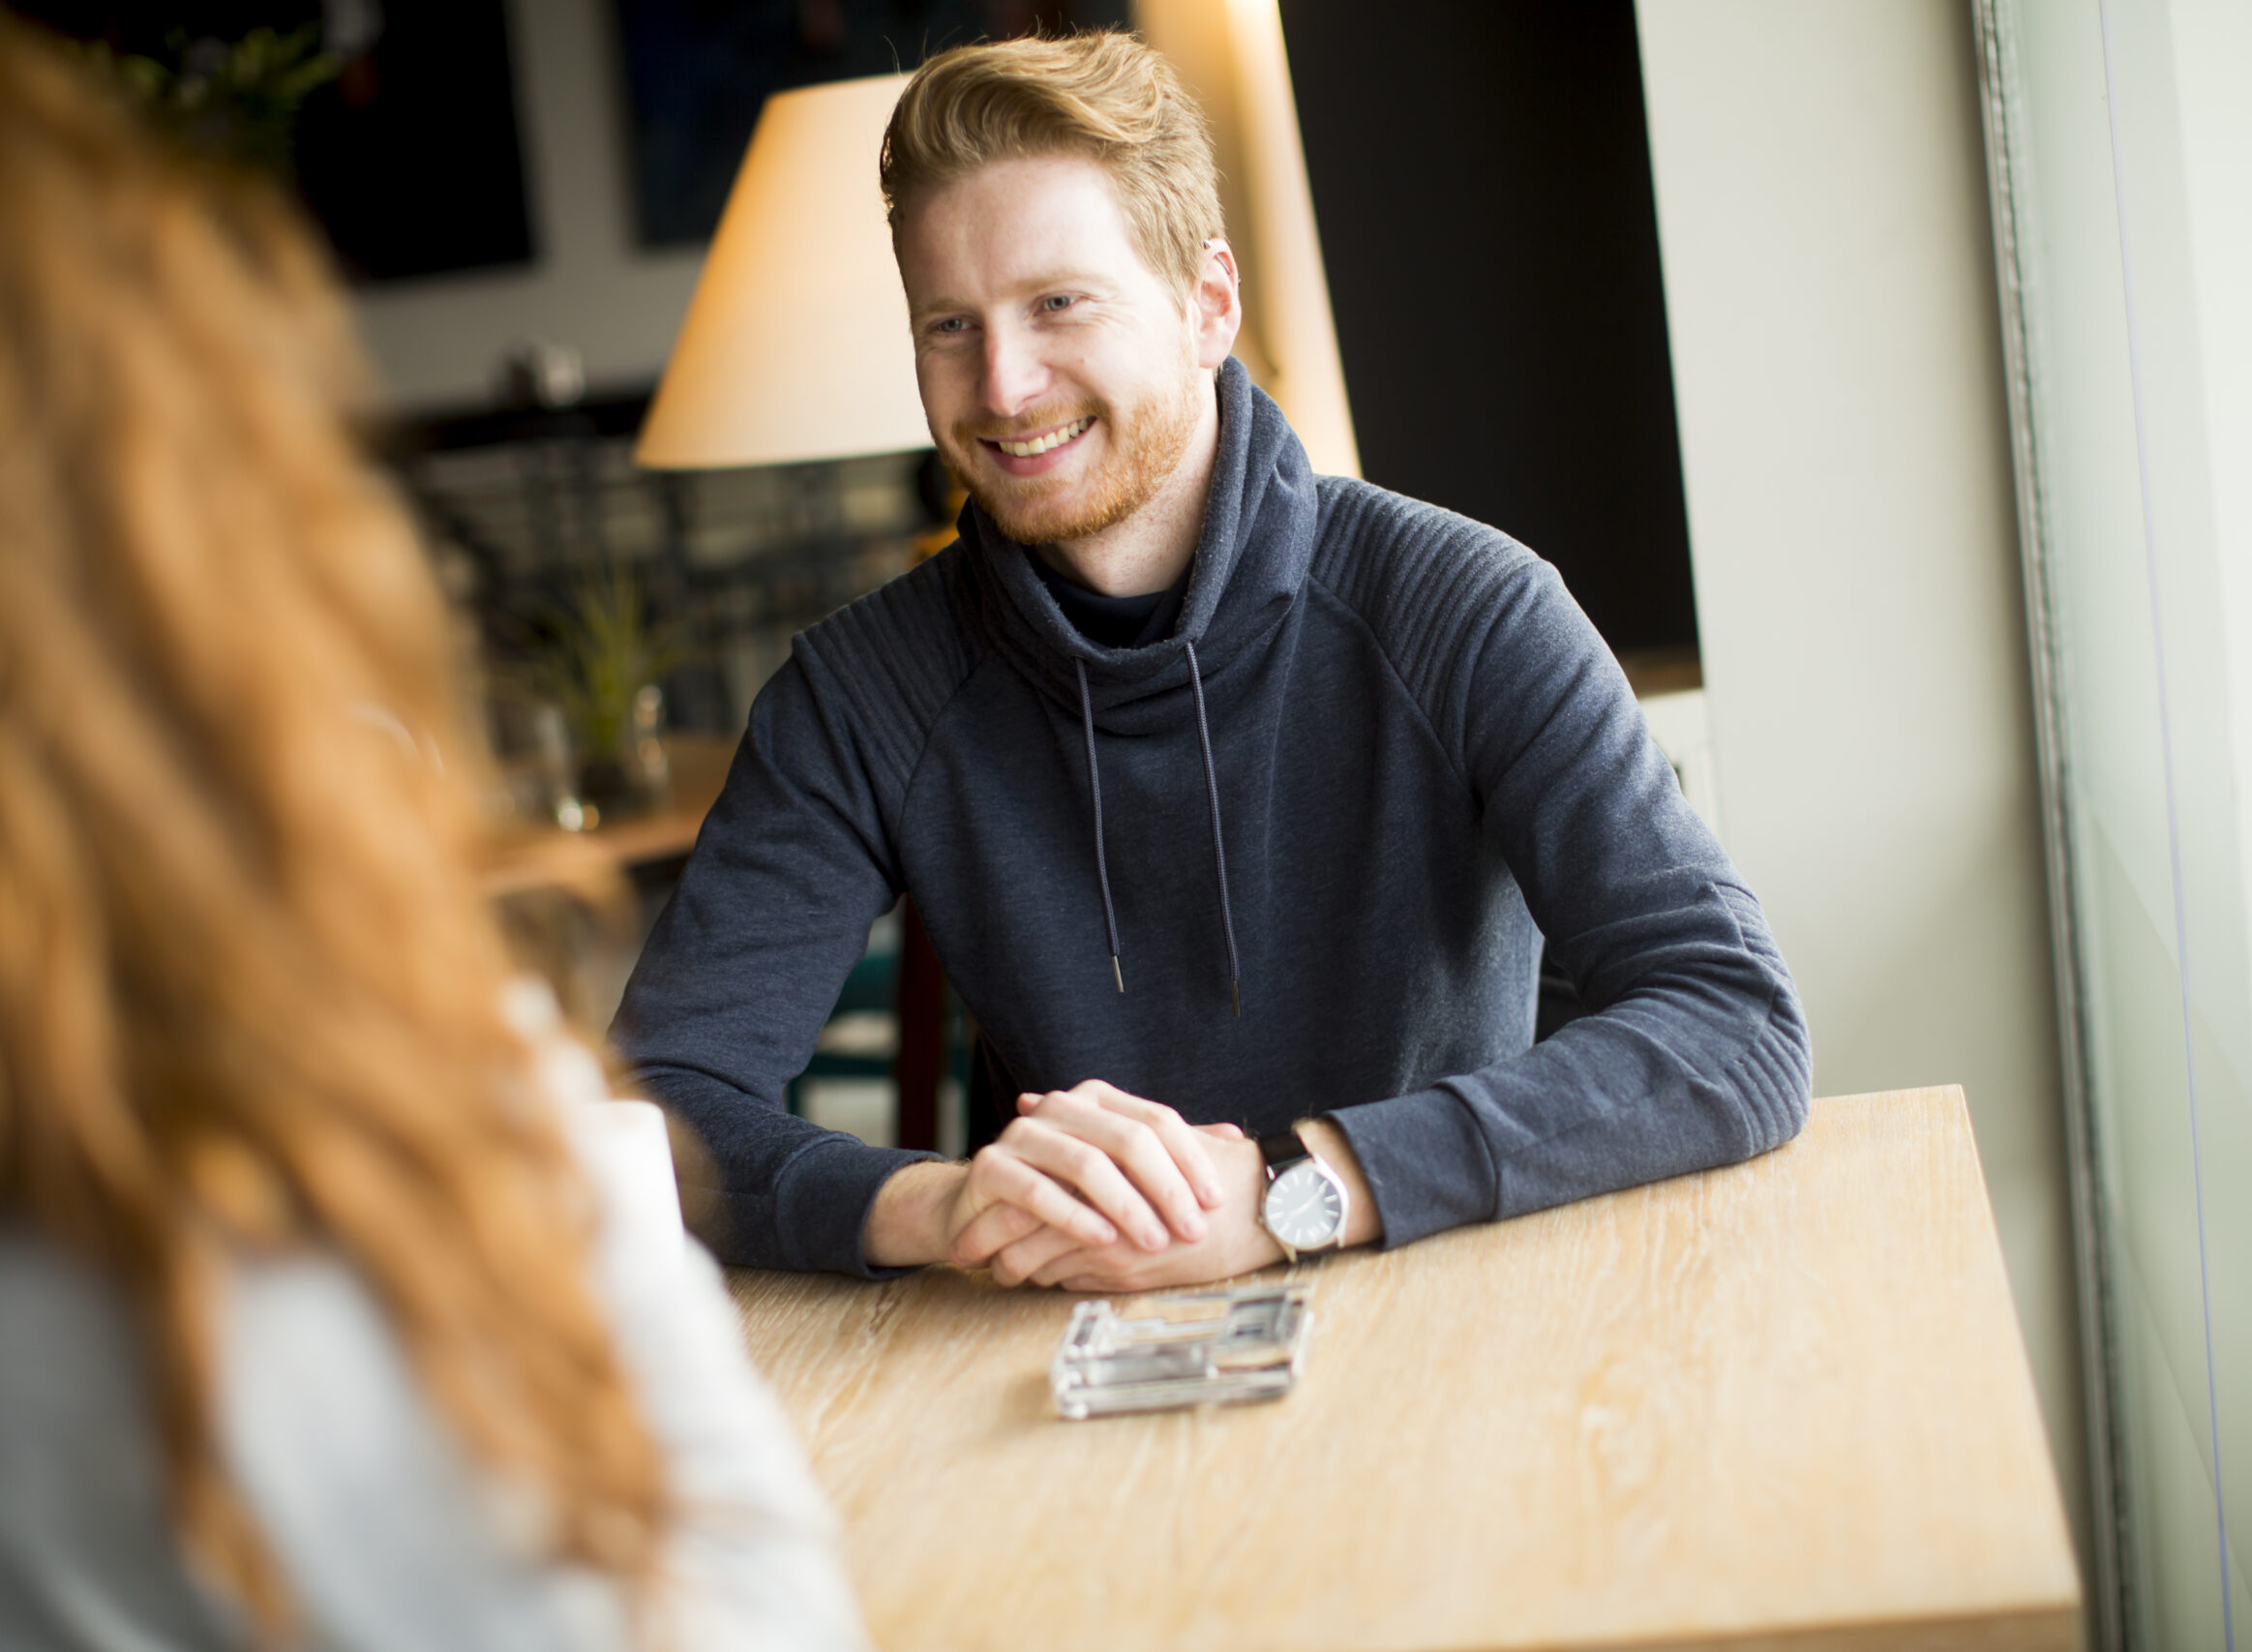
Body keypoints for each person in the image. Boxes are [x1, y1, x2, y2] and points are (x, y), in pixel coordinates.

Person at [614, 30, 1812, 1294]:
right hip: (1081, 1356)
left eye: (1059, 303)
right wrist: (938, 1202)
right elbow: (649, 1114)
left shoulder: (1468, 607)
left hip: (1448, 1303)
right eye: (949, 325)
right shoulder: (859, 696)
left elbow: (1736, 1027)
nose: (1005, 385)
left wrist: (1297, 1189)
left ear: (1210, 305)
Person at [0, 23, 867, 1651]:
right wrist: (901, 1200)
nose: (1000, 386)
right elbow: (753, 1617)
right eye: (951, 328)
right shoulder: (299, 1165)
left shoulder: (1443, 597)